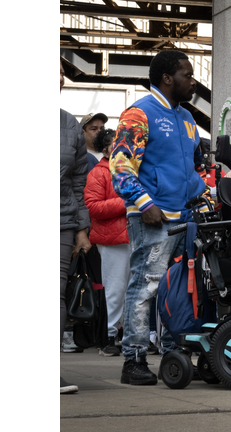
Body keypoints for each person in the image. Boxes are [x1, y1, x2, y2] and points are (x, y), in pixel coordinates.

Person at [110, 49, 210, 385]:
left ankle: (174, 354)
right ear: (168, 78)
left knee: (179, 289)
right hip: (153, 218)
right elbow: (120, 163)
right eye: (188, 74)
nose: (193, 81)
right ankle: (134, 359)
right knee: (145, 287)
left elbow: (191, 173)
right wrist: (142, 201)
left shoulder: (186, 118)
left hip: (185, 218)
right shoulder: (138, 114)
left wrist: (208, 196)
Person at [60, 59, 92, 394]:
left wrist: (82, 229)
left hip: (61, 221)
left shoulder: (69, 125)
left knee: (54, 296)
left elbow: (79, 182)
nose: (60, 77)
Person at [84, 128, 128, 357]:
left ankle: (118, 336)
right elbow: (92, 206)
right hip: (112, 240)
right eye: (115, 144)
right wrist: (126, 203)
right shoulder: (99, 173)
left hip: (126, 237)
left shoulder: (124, 169)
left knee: (125, 289)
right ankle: (109, 336)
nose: (120, 147)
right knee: (115, 289)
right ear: (105, 149)